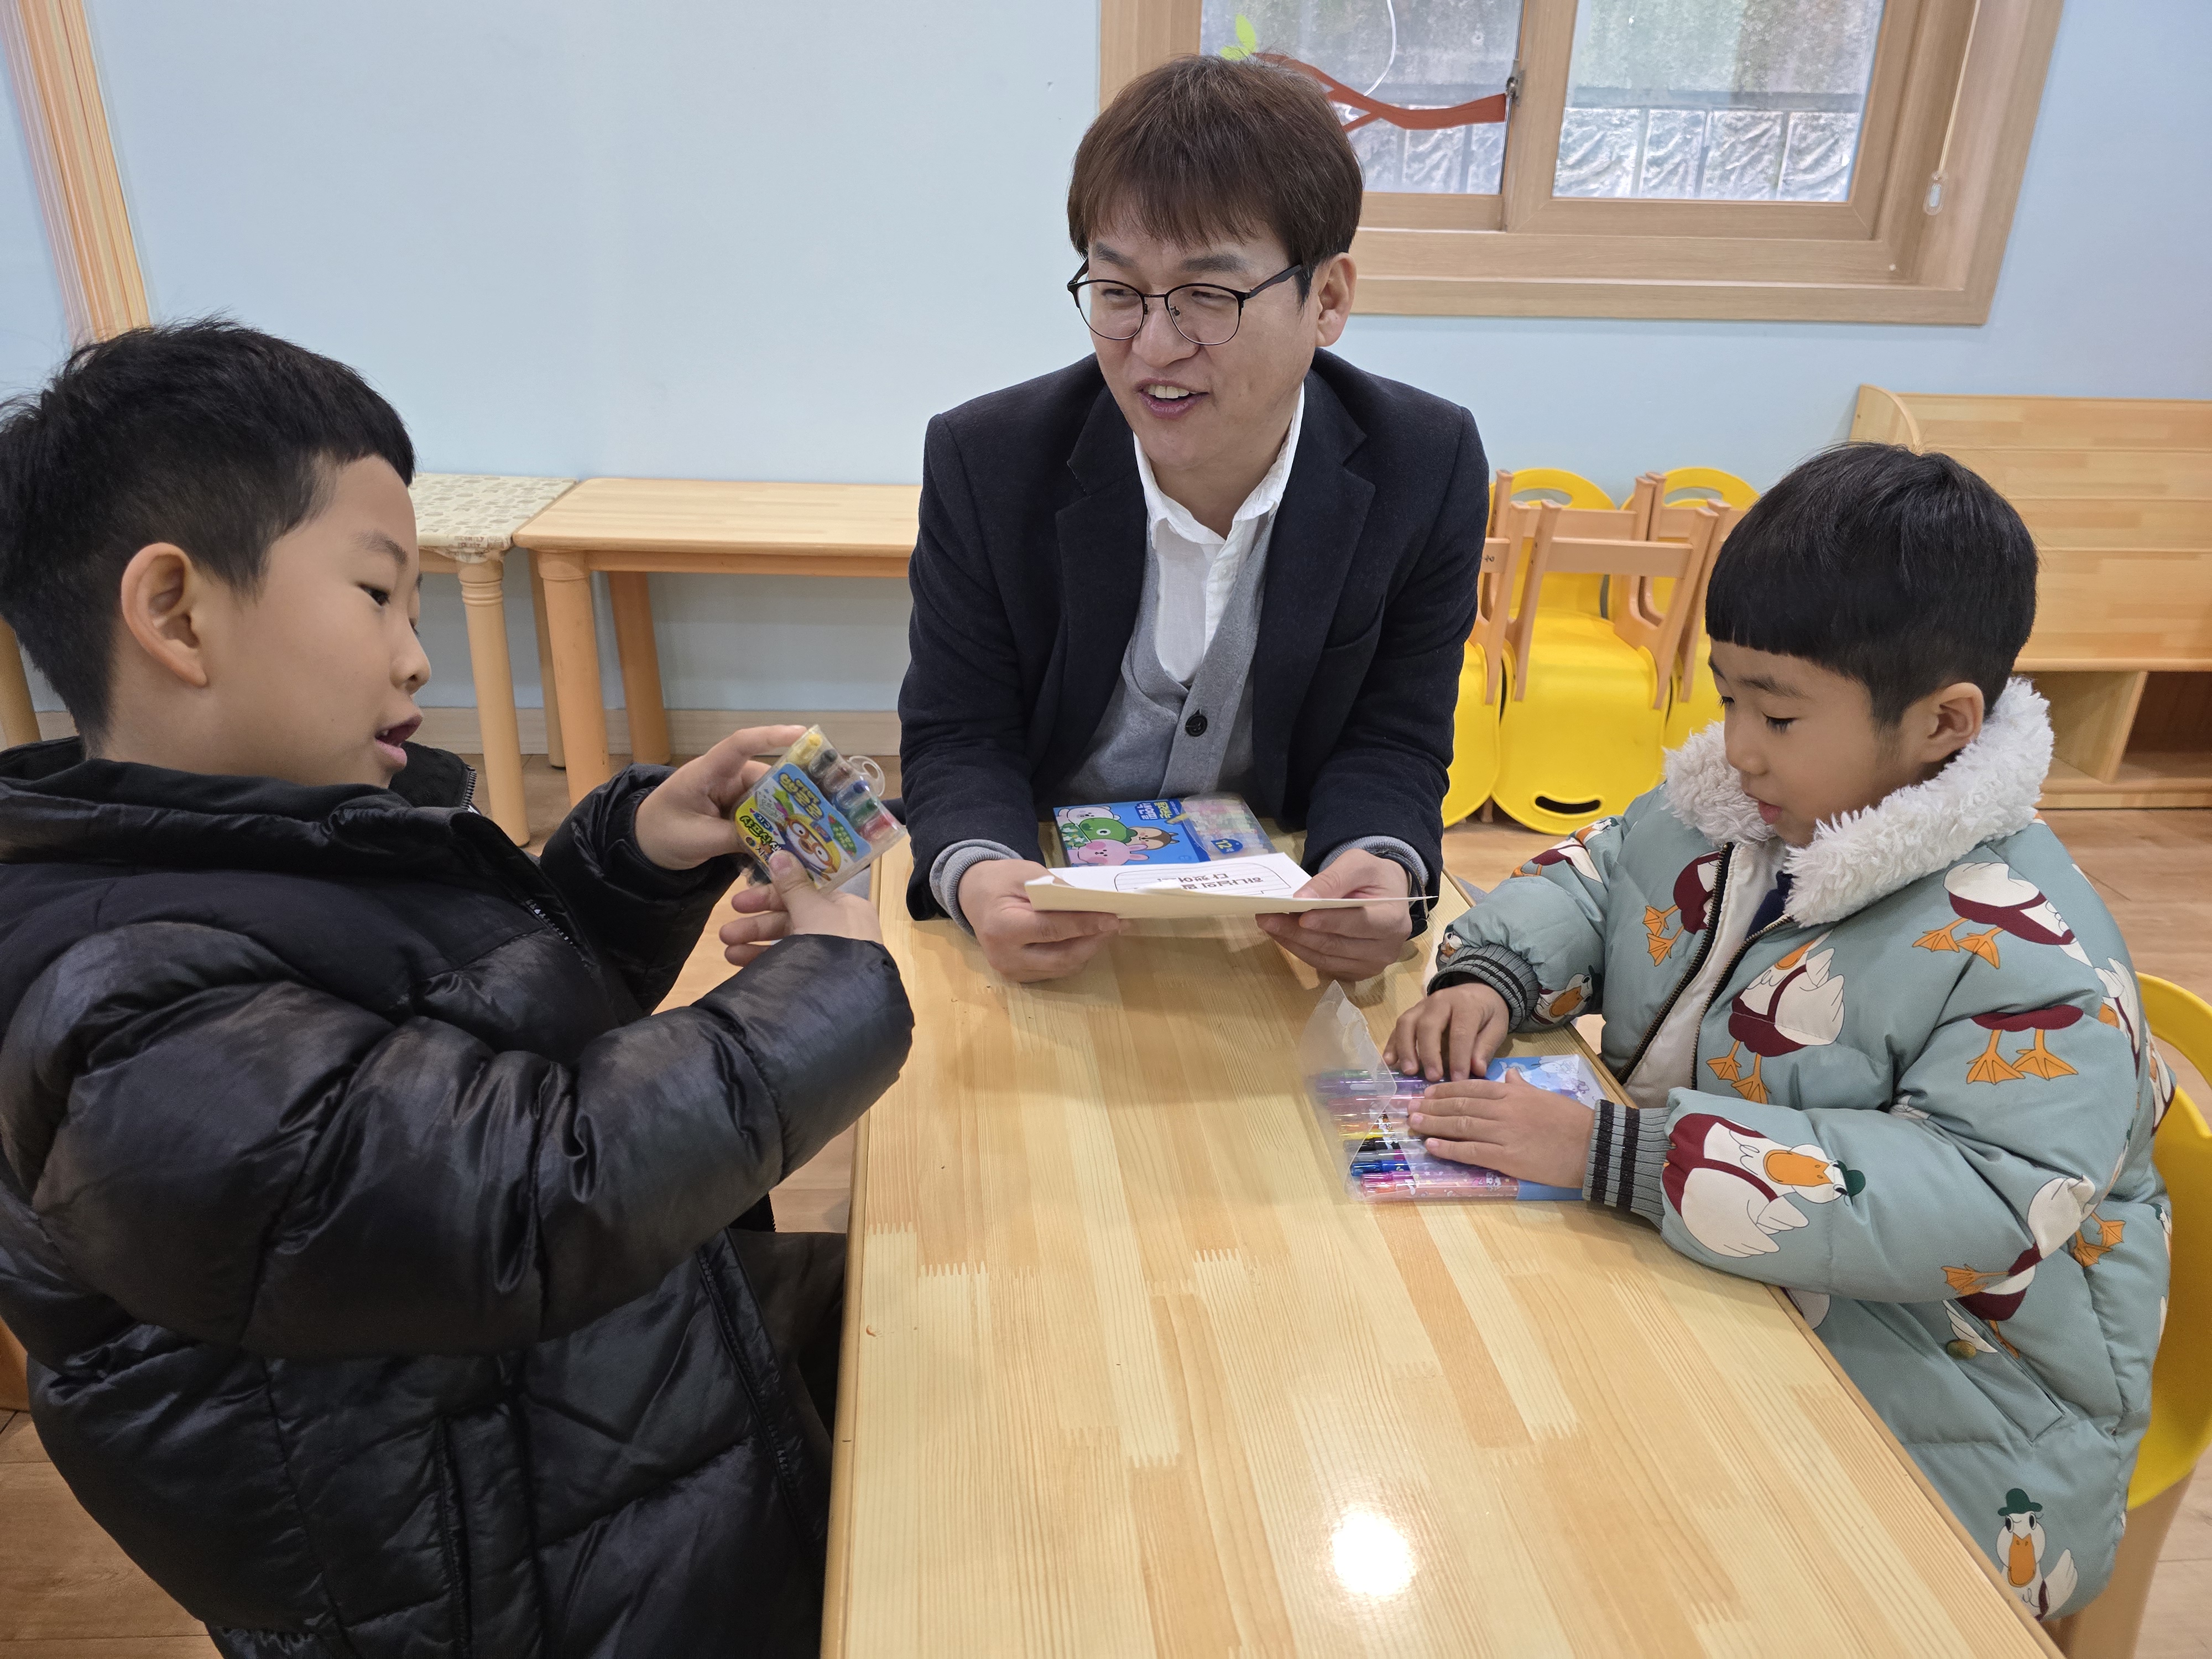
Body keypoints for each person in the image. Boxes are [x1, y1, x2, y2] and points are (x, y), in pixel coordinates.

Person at [0, 321, 911, 1657]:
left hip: (594, 1436)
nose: (415, 656)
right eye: (378, 594)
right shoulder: (120, 1014)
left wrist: (633, 856)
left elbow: (461, 1054)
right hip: (519, 1586)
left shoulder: (271, 846)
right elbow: (522, 1194)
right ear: (177, 612)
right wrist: (826, 978)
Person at [1383, 444, 2168, 1620]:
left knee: (1624, 1563)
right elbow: (1604, 871)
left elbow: (1978, 1199)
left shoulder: (2032, 948)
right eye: (1727, 698)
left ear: (1942, 724)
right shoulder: (1740, 802)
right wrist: (1498, 970)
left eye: (1779, 712)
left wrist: (1622, 1155)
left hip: (1966, 1386)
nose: (1739, 743)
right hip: (1728, 1256)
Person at [894, 54, 1487, 983]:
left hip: (1278, 932)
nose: (1155, 347)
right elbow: (960, 732)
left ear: (1328, 299)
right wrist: (981, 873)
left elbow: (1395, 736)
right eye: (1118, 293)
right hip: (1048, 911)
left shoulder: (1424, 464)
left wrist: (1381, 862)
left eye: (1209, 296)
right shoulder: (989, 460)